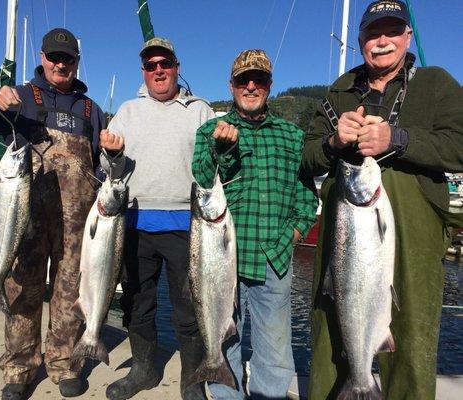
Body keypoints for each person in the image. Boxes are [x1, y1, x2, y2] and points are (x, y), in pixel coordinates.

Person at [301, 1, 463, 399]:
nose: (382, 41)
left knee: (410, 341)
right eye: (373, 33)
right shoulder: (339, 90)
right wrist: (332, 141)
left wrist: (400, 140)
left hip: (416, 232)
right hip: (345, 230)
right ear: (360, 41)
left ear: (408, 37)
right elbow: (305, 157)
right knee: (330, 332)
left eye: (392, 31)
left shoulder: (436, 84)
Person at [0, 28, 108, 400]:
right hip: (23, 222)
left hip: (74, 225)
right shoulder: (20, 96)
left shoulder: (91, 110)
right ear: (42, 57)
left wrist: (114, 159)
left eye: (67, 58)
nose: (60, 64)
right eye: (54, 56)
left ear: (76, 63)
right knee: (21, 291)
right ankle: (20, 367)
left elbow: (104, 164)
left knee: (70, 295)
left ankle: (64, 363)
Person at [192, 49, 318, 400]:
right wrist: (221, 150)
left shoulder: (293, 136)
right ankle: (226, 392)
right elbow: (202, 180)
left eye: (258, 80)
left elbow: (307, 197)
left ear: (269, 86)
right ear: (231, 86)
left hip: (273, 257)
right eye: (243, 80)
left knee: (275, 351)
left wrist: (292, 235)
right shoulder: (209, 131)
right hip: (222, 261)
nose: (251, 86)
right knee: (225, 339)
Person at [99, 37, 215, 400]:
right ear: (144, 72)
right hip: (133, 226)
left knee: (189, 308)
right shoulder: (128, 111)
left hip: (187, 225)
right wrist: (111, 153)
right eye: (151, 65)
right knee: (137, 303)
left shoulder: (200, 110)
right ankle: (144, 370)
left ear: (177, 67)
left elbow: (214, 165)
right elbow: (108, 168)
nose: (159, 70)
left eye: (165, 63)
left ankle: (193, 379)